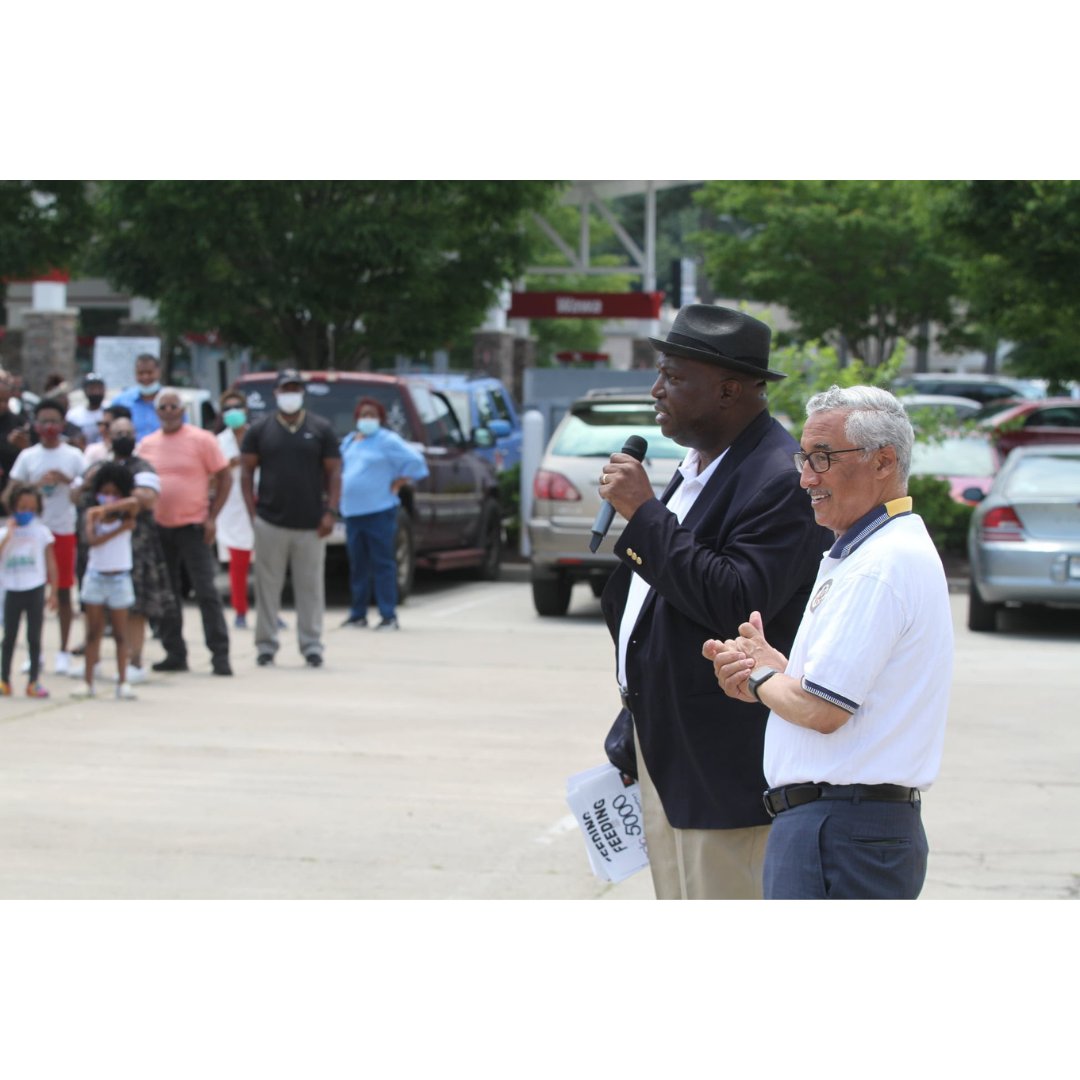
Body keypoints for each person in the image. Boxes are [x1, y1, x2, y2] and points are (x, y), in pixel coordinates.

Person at [598, 304, 831, 900]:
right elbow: (654, 609)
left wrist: (646, 514)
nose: (656, 389)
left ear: (729, 389)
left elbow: (736, 599)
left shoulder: (778, 477)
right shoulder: (699, 466)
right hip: (666, 741)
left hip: (723, 762)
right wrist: (634, 723)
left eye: (674, 377)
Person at [704, 384, 953, 900]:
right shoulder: (873, 550)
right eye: (804, 457)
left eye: (822, 458)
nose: (806, 478)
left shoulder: (881, 563)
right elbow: (828, 693)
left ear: (883, 461)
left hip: (841, 829)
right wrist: (775, 668)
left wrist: (760, 676)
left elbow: (822, 711)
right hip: (843, 825)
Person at [240, 368, 341, 668]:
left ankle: (311, 644)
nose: (290, 395)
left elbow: (334, 472)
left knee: (310, 586)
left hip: (310, 521)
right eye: (286, 389)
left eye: (295, 389)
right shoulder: (260, 430)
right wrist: (252, 512)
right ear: (276, 393)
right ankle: (266, 645)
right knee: (267, 586)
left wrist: (330, 511)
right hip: (271, 519)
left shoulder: (320, 428)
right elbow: (246, 472)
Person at [70, 413, 175, 684]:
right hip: (96, 552)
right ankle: (93, 663)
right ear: (108, 436)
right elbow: (77, 493)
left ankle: (135, 660)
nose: (123, 438)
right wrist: (93, 485)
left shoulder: (143, 467)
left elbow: (146, 499)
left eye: (127, 433)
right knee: (91, 606)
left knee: (135, 607)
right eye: (117, 434)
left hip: (136, 548)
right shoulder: (97, 465)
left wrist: (107, 505)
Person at [137, 388, 232, 676]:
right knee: (167, 593)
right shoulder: (147, 445)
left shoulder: (202, 440)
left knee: (206, 591)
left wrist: (213, 516)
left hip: (193, 526)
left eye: (173, 406)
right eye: (163, 407)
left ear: (182, 409)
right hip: (159, 527)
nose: (168, 412)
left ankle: (219, 655)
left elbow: (224, 476)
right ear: (157, 412)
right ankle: (174, 652)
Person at [4, 397, 86, 675]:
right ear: (36, 425)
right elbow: (8, 497)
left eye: (54, 421)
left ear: (62, 424)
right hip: (30, 535)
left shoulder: (74, 456)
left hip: (62, 531)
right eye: (44, 421)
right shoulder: (28, 457)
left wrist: (67, 481)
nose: (49, 426)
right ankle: (34, 653)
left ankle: (63, 651)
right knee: (31, 595)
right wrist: (32, 487)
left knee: (63, 592)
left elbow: (82, 495)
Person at [339, 396, 428, 630]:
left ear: (380, 419)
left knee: (382, 563)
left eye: (372, 415)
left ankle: (388, 614)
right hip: (352, 512)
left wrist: (400, 481)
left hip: (379, 510)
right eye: (363, 415)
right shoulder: (350, 442)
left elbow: (416, 461)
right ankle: (358, 613)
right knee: (358, 564)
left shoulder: (386, 441)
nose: (367, 419)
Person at [73, 462, 139, 701]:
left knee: (121, 635)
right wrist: (120, 528)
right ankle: (87, 681)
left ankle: (123, 682)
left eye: (114, 493)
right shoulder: (93, 515)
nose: (108, 498)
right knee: (93, 632)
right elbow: (92, 541)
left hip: (119, 577)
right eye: (105, 492)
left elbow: (134, 503)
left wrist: (116, 513)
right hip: (96, 577)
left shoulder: (127, 511)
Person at [0, 484, 58, 698]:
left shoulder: (42, 532)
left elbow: (51, 562)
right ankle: (4, 679)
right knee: (9, 637)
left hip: (34, 587)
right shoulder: (5, 532)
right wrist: (9, 535)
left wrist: (53, 591)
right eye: (21, 507)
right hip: (12, 588)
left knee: (34, 637)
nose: (26, 512)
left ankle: (33, 681)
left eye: (31, 509)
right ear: (13, 507)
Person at [215, 389, 255, 629]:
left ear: (245, 410)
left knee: (269, 564)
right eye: (227, 408)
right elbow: (211, 476)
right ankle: (240, 610)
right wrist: (227, 466)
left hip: (260, 503)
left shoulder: (258, 436)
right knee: (238, 563)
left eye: (236, 407)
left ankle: (272, 611)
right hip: (232, 506)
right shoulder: (219, 442)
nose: (233, 413)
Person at [110, 353, 164, 442]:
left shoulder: (171, 402)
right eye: (141, 373)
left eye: (149, 372)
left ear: (158, 372)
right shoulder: (120, 401)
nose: (145, 377)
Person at [66, 373, 109, 446]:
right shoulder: (73, 415)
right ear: (85, 390)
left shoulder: (110, 410)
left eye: (99, 388)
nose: (96, 392)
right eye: (92, 388)